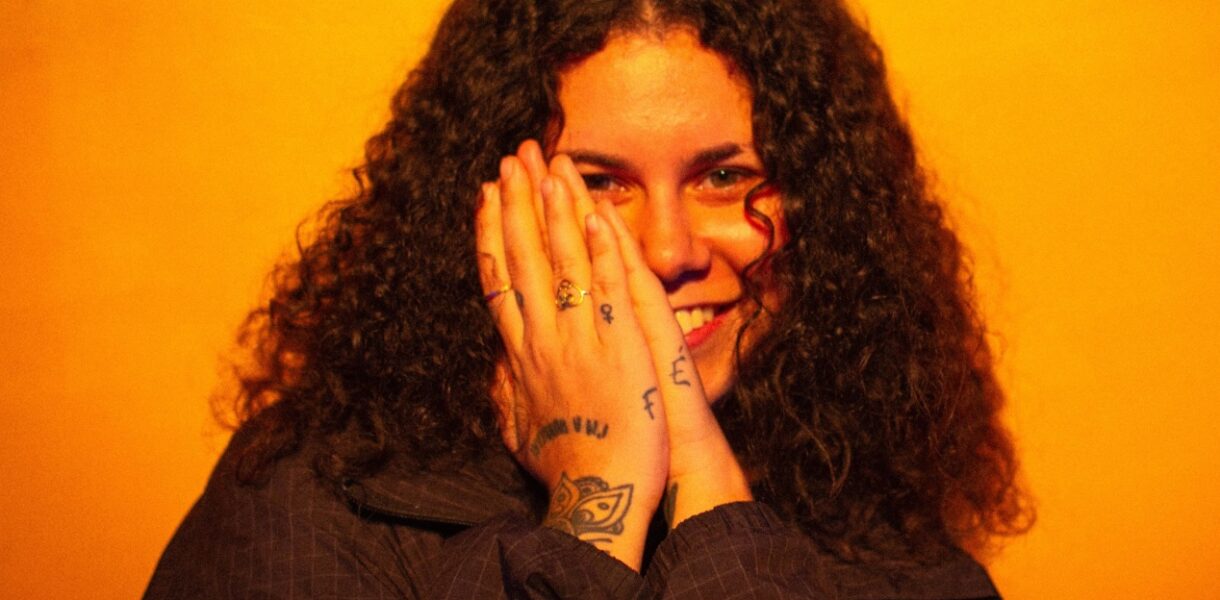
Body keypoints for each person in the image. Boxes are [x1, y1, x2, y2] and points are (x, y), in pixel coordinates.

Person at [146, 0, 1031, 597]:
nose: (668, 251)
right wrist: (594, 507)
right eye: (600, 184)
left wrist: (705, 489)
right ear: (482, 207)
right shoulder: (312, 508)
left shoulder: (896, 552)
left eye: (726, 178)